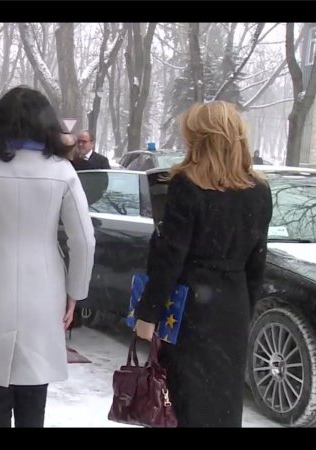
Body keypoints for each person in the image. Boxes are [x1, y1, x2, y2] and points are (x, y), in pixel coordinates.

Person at [0, 86, 95, 427]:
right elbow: (84, 240)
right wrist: (76, 292)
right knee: (33, 399)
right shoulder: (61, 170)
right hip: (43, 289)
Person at [134, 100, 272, 427]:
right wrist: (245, 309)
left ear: (201, 138)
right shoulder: (259, 190)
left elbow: (170, 257)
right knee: (223, 404)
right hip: (232, 308)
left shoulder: (187, 185)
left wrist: (148, 313)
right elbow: (258, 261)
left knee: (184, 402)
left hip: (190, 308)